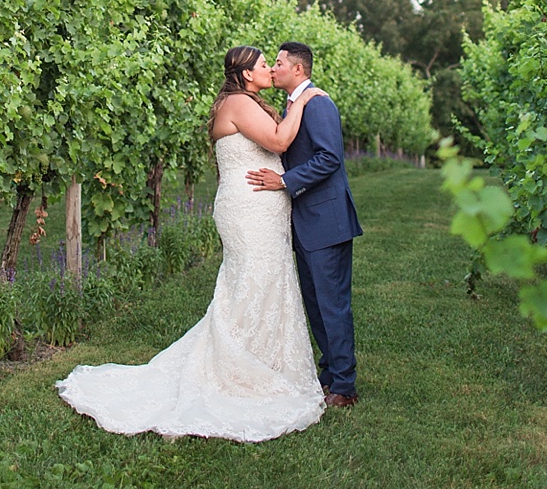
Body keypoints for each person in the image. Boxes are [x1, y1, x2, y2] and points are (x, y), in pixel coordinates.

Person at [55, 45, 327, 441]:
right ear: (247, 74)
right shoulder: (238, 103)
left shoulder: (244, 101)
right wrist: (303, 97)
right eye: (265, 65)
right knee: (251, 283)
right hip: (249, 212)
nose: (270, 69)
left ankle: (265, 361)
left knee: (264, 283)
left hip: (261, 211)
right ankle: (238, 369)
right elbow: (281, 141)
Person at [246, 41, 363, 406]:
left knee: (332, 304)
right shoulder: (295, 106)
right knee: (316, 304)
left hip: (327, 221)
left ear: (298, 69)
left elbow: (329, 158)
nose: (274, 68)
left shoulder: (318, 103)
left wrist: (284, 182)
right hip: (308, 222)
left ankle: (345, 386)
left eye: (278, 63)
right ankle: (330, 373)